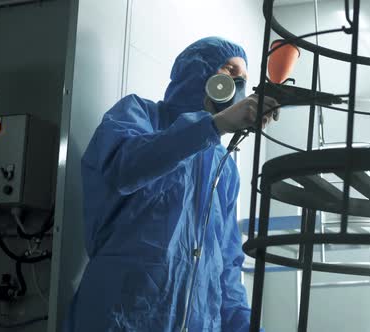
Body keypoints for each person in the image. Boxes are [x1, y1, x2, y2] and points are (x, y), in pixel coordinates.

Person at [64, 37, 279, 331]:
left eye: (242, 79)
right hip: (120, 316)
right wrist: (212, 126)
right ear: (196, 71)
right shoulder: (139, 115)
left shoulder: (224, 168)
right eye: (229, 70)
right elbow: (125, 168)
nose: (237, 83)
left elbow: (226, 269)